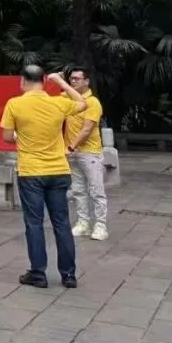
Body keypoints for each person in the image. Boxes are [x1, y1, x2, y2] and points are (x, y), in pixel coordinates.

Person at [0, 65, 86, 289]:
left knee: (34, 223)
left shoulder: (15, 104)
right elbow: (82, 103)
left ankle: (38, 273)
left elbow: (7, 136)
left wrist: (21, 134)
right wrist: (61, 83)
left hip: (31, 172)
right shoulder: (58, 102)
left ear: (23, 81)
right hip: (58, 170)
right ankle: (69, 275)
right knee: (62, 223)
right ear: (44, 81)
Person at [65, 68, 108, 241]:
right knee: (78, 190)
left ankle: (100, 225)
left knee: (96, 191)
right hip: (74, 153)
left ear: (86, 81)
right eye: (71, 79)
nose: (73, 81)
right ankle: (83, 223)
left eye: (77, 78)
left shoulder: (93, 102)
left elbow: (87, 129)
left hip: (90, 153)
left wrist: (71, 146)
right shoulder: (67, 99)